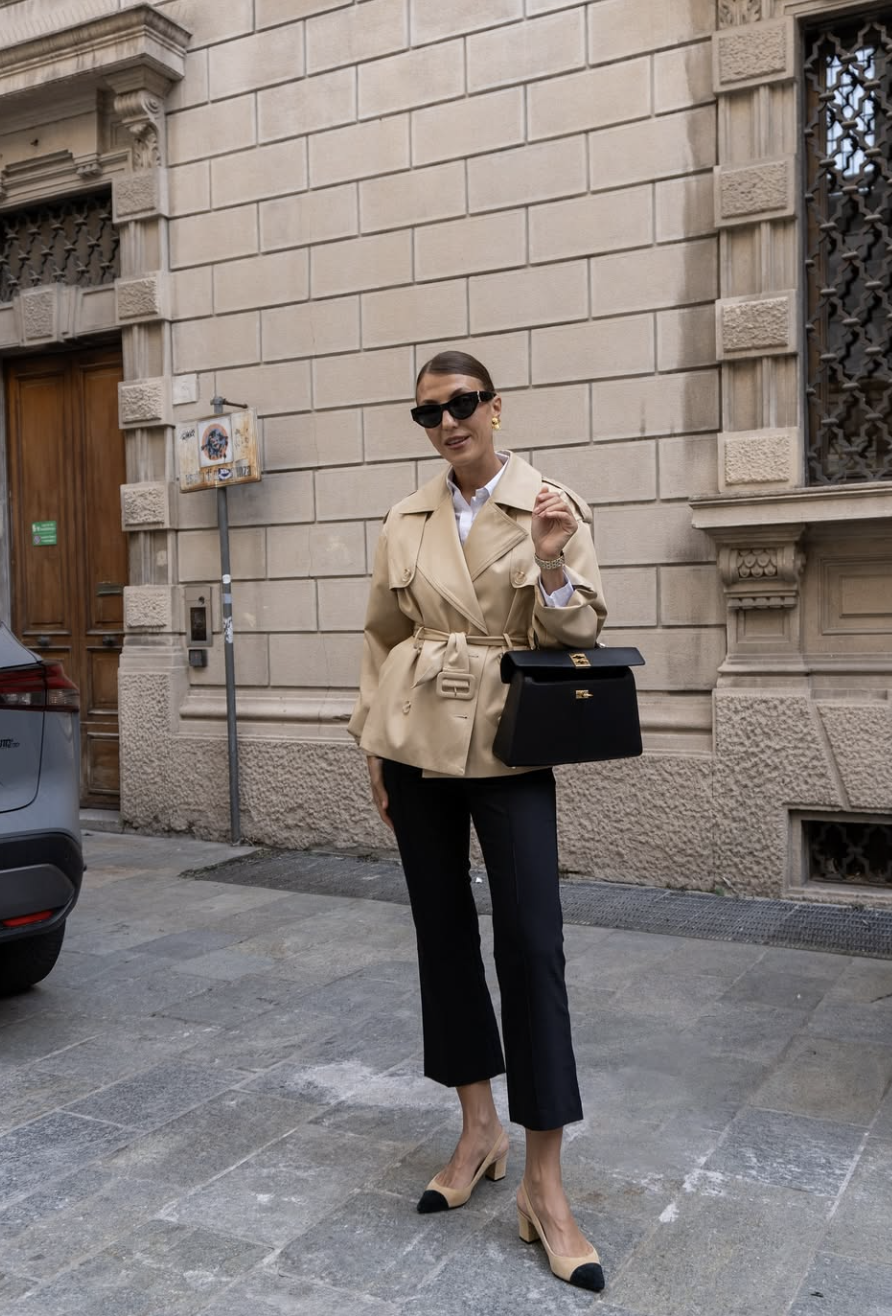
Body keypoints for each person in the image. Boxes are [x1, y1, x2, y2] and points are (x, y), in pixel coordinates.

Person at [348, 350, 607, 1291]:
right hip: (415, 742)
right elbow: (381, 637)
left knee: (533, 944)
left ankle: (546, 1183)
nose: (449, 423)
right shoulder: (406, 515)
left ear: (495, 408)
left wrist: (548, 567)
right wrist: (370, 743)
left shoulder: (549, 503)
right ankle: (477, 1130)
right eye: (430, 413)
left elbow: (576, 633)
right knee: (442, 937)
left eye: (463, 405)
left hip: (507, 744)